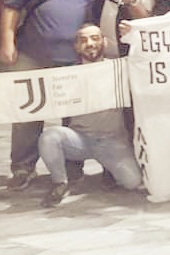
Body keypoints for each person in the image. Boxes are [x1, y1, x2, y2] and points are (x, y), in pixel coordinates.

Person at [0, 0, 102, 191]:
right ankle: (22, 168)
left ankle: (72, 167)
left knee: (73, 116)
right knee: (26, 113)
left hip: (73, 60)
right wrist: (7, 42)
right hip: (32, 54)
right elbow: (11, 5)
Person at [37, 24, 142, 206]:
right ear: (77, 47)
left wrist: (136, 36)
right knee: (49, 137)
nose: (90, 43)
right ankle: (60, 183)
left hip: (113, 141)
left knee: (132, 182)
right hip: (79, 139)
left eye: (95, 38)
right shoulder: (67, 75)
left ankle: (110, 169)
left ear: (105, 42)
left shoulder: (120, 69)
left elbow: (144, 64)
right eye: (83, 40)